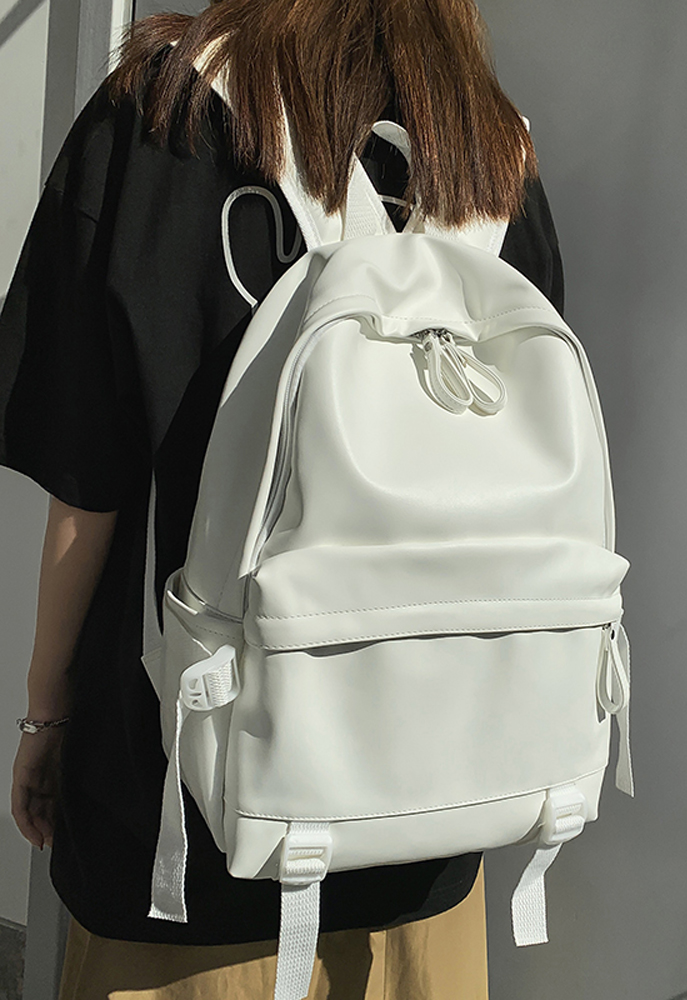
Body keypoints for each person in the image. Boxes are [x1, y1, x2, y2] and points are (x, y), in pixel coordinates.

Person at [1, 0, 564, 996]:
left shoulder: (161, 116)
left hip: (191, 841)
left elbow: (87, 488)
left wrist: (46, 715)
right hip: (433, 834)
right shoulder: (491, 147)